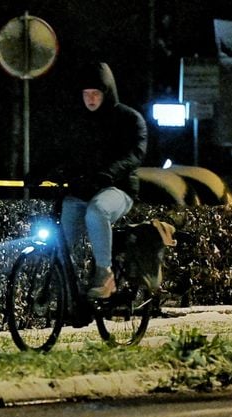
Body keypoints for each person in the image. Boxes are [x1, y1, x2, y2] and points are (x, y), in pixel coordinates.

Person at [59, 61, 148, 300]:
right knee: (65, 220)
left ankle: (104, 274)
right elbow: (61, 152)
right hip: (86, 188)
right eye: (86, 93)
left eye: (96, 93)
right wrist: (39, 173)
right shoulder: (78, 121)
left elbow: (135, 153)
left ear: (106, 93)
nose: (90, 99)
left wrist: (110, 173)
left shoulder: (129, 119)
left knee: (97, 211)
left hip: (119, 188)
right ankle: (67, 279)